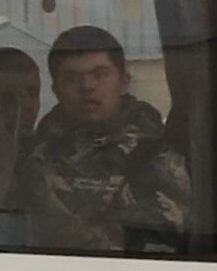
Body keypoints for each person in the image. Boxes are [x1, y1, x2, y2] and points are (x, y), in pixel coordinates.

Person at [13, 26, 191, 255]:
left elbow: (166, 247)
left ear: (124, 82)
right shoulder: (33, 156)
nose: (87, 86)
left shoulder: (158, 155)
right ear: (56, 90)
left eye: (100, 74)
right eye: (72, 78)